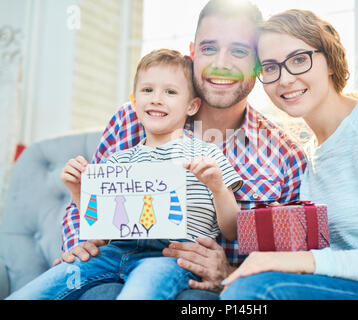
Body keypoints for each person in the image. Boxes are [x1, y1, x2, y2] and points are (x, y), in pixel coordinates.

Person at [55, 0, 306, 298]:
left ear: (258, 62)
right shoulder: (131, 119)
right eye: (209, 48)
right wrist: (79, 245)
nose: (220, 64)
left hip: (205, 289)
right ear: (193, 52)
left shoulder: (286, 156)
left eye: (238, 51)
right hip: (113, 271)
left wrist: (231, 275)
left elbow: (292, 266)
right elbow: (87, 199)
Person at [220, 9, 358, 300]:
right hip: (354, 288)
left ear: (329, 60)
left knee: (259, 291)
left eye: (299, 59)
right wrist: (225, 269)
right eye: (269, 67)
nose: (285, 79)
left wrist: (298, 263)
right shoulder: (303, 158)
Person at [7, 48, 245, 300]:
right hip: (114, 252)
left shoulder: (207, 155)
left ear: (192, 105)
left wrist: (218, 187)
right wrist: (77, 189)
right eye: (147, 90)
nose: (156, 98)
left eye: (170, 92)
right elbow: (101, 230)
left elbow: (232, 231)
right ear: (134, 101)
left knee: (140, 293)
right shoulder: (119, 160)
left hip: (172, 255)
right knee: (41, 288)